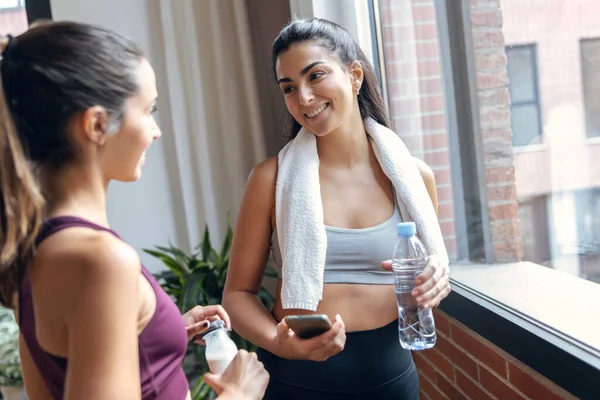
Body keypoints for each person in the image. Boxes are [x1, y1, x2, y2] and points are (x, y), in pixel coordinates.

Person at [0, 22, 268, 400]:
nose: (155, 131)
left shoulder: (31, 251)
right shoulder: (100, 261)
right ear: (96, 125)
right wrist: (240, 394)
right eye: (148, 110)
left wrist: (162, 330)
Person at [223, 17, 451, 399]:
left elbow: (427, 273)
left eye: (316, 76)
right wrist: (280, 345)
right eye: (289, 88)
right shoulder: (270, 180)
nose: (305, 98)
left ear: (355, 75)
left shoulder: (414, 178)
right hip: (298, 381)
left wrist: (436, 279)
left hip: (392, 381)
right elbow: (237, 296)